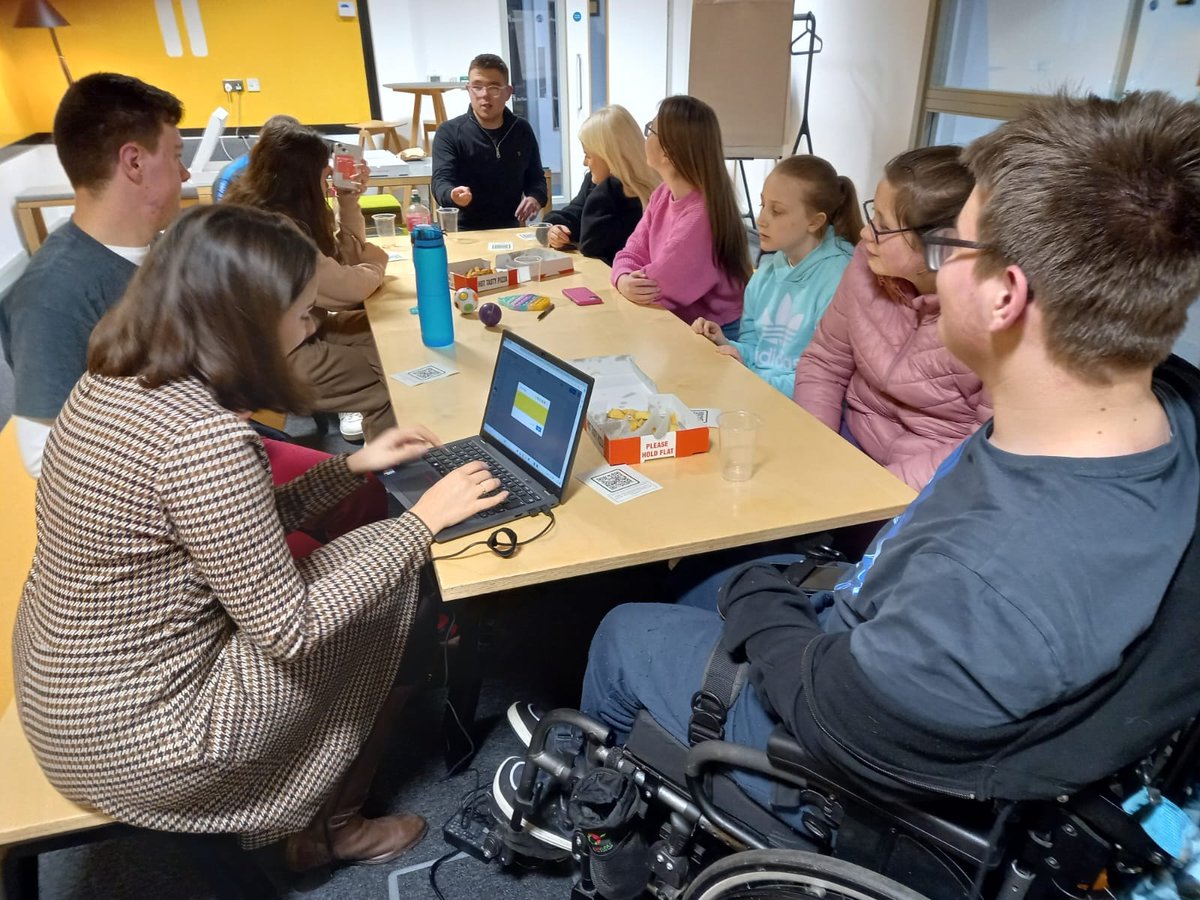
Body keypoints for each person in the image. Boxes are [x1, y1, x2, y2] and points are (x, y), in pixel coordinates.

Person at [559, 90, 1200, 824]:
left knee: (622, 628)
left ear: (1004, 295)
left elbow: (835, 714)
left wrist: (762, 602)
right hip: (869, 616)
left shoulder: (994, 576)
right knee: (695, 582)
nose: (930, 269)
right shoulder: (1146, 416)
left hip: (832, 744)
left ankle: (593, 820)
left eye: (949, 246)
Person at [12, 203, 513, 868]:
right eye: (302, 312)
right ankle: (330, 827)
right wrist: (422, 523)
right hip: (146, 740)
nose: (311, 327)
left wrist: (352, 466)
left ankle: (329, 809)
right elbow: (292, 629)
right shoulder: (206, 437)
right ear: (245, 323)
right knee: (395, 579)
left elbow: (234, 531)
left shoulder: (115, 380)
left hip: (65, 696)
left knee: (376, 557)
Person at [0, 72, 186, 477]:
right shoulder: (51, 296)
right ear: (134, 163)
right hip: (167, 478)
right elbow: (44, 457)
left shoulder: (157, 252)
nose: (185, 174)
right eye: (176, 156)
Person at [791, 146, 990, 490]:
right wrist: (818, 450)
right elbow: (825, 362)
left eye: (883, 226)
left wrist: (876, 491)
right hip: (851, 439)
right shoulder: (867, 263)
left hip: (932, 480)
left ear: (941, 246)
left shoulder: (999, 317)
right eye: (873, 215)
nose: (866, 233)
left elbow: (986, 446)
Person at [223, 121, 395, 442]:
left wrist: (348, 200)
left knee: (385, 335)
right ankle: (393, 466)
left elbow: (345, 261)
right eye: (324, 174)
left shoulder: (274, 211)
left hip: (296, 332)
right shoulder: (275, 230)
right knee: (393, 382)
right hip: (274, 358)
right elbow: (346, 289)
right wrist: (376, 263)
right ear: (301, 178)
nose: (328, 180)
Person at [692, 155, 859, 395]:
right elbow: (757, 351)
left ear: (815, 222)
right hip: (761, 391)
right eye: (762, 205)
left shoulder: (841, 279)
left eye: (777, 211)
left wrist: (750, 376)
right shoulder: (765, 274)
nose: (761, 220)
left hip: (801, 405)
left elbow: (823, 382)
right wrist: (724, 343)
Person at [611, 95, 751, 337]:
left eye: (650, 130)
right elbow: (631, 252)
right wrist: (623, 279)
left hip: (715, 334)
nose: (646, 137)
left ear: (668, 152)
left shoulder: (700, 217)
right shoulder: (662, 193)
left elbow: (656, 288)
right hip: (682, 322)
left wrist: (625, 280)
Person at [431, 53, 547, 231]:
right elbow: (440, 181)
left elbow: (537, 179)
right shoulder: (449, 132)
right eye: (477, 87)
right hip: (462, 231)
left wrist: (535, 197)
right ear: (468, 90)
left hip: (510, 229)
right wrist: (452, 195)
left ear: (508, 92)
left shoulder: (521, 130)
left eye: (494, 88)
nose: (484, 95)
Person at [542, 104, 660, 266]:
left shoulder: (643, 196)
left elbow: (592, 244)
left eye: (588, 155)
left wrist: (608, 186)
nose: (584, 163)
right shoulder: (594, 182)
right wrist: (556, 228)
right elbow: (573, 213)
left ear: (610, 156)